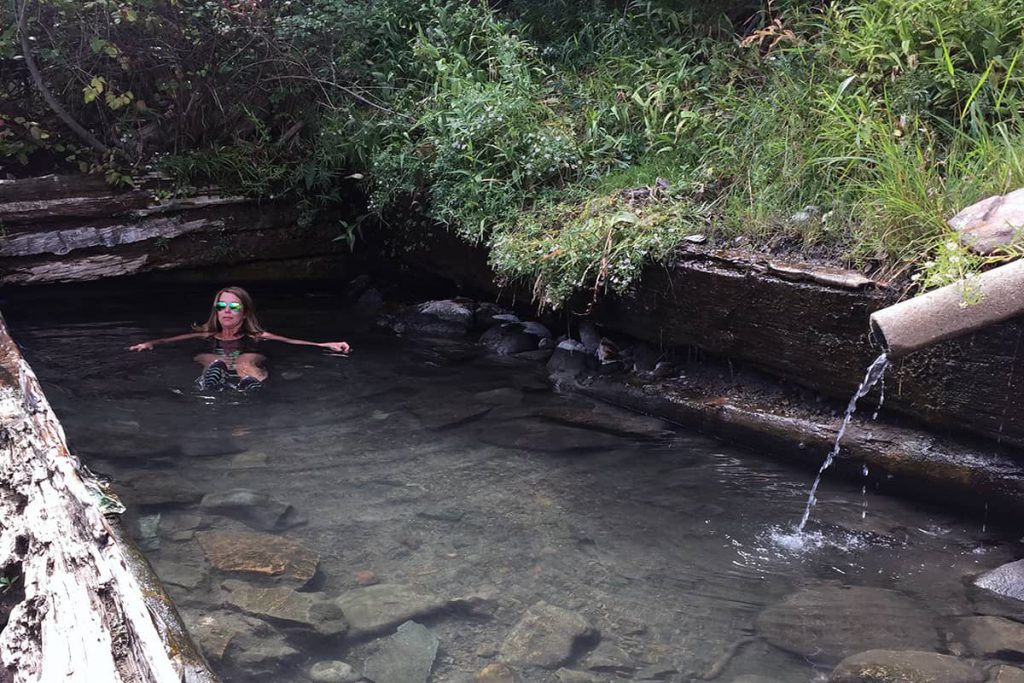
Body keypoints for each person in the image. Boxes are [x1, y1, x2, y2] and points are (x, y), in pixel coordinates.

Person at [128, 286, 351, 393]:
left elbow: (292, 342)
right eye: (221, 306)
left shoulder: (257, 336)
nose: (227, 311)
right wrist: (149, 344)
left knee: (245, 361)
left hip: (246, 349)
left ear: (244, 313)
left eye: (234, 307)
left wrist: (324, 345)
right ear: (215, 311)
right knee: (212, 360)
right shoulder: (205, 335)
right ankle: (210, 383)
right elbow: (169, 341)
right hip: (215, 351)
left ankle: (251, 388)